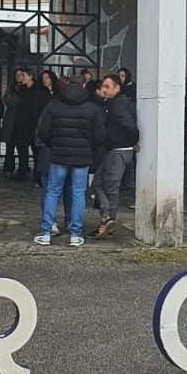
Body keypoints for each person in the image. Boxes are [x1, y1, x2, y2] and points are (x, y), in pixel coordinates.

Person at [34, 77, 105, 247]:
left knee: (52, 192)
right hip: (82, 157)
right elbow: (99, 136)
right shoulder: (92, 108)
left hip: (58, 155)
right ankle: (75, 234)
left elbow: (43, 131)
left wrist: (55, 144)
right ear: (83, 86)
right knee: (79, 193)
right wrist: (88, 147)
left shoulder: (53, 106)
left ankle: (46, 233)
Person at [92, 73, 138, 240]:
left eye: (107, 87)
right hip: (117, 149)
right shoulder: (120, 102)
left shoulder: (118, 105)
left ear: (117, 88)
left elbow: (130, 125)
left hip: (118, 150)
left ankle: (107, 220)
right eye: (103, 86)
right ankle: (106, 220)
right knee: (98, 182)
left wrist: (132, 141)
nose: (103, 90)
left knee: (110, 187)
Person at [31, 69, 59, 188]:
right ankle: (38, 177)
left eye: (47, 77)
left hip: (55, 126)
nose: (44, 80)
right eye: (43, 78)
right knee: (40, 154)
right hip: (42, 123)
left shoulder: (58, 92)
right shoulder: (39, 92)